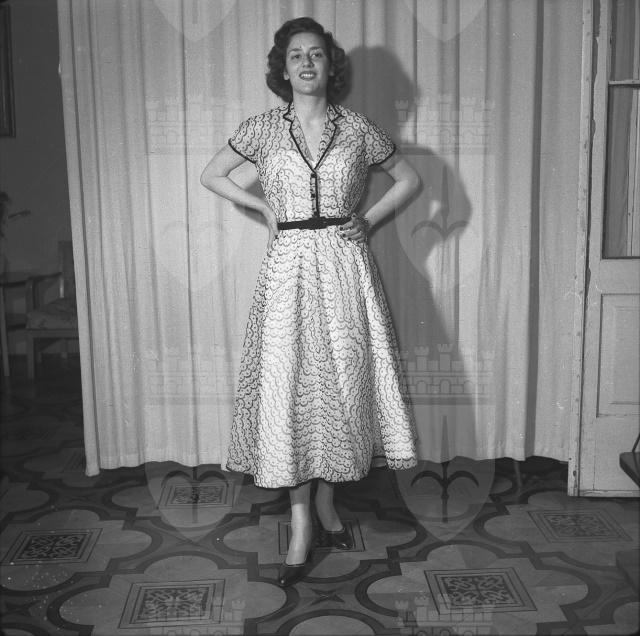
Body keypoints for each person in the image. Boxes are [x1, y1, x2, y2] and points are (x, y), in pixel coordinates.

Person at [201, 17, 419, 587]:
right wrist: (264, 209)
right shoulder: (262, 129)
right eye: (296, 54)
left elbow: (408, 179)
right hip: (288, 269)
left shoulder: (357, 128)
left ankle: (326, 503)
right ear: (283, 66)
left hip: (345, 267)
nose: (305, 62)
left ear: (330, 65)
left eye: (316, 54)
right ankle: (301, 521)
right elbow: (212, 174)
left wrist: (367, 220)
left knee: (340, 386)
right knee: (292, 389)